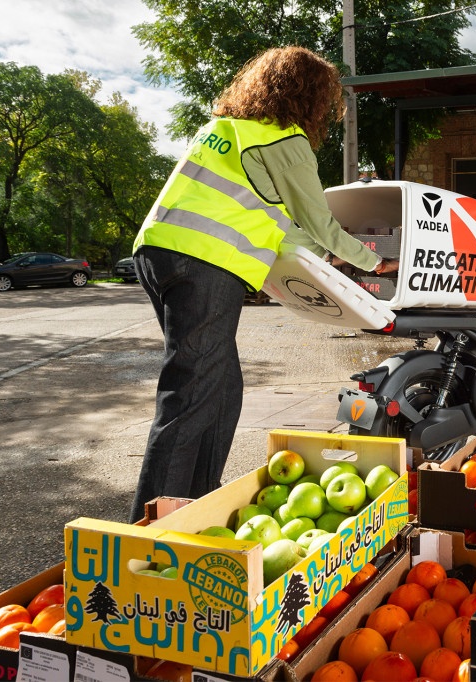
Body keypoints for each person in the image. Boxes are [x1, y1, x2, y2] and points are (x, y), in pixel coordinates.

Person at [127, 46, 397, 523]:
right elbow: (320, 223)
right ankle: (152, 531)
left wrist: (324, 263)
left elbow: (278, 225)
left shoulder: (224, 131)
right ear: (310, 96)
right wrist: (373, 263)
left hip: (158, 254)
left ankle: (198, 507)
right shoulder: (283, 140)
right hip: (205, 266)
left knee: (222, 388)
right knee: (189, 397)